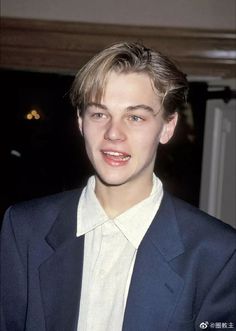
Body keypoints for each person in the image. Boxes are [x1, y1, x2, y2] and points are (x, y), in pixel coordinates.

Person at [1, 42, 235, 331]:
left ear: (167, 126)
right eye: (99, 114)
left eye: (135, 117)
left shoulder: (218, 252)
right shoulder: (23, 228)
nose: (113, 133)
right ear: (80, 122)